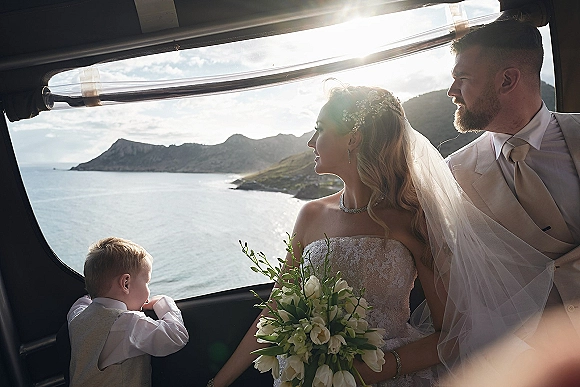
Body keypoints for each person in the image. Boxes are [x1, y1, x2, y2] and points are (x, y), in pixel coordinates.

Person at [209, 82, 554, 386]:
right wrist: (218, 383)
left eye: (320, 128)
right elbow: (274, 310)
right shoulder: (310, 214)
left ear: (354, 138)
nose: (311, 140)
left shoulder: (413, 219)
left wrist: (373, 371)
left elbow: (452, 334)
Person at [446, 18, 580, 334]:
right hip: (534, 353)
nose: (452, 91)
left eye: (462, 79)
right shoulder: (455, 172)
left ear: (507, 80)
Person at [67, 236, 189, 387]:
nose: (148, 293)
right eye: (147, 282)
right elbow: (176, 336)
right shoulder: (128, 324)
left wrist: (97, 289)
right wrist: (165, 303)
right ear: (125, 283)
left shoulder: (77, 317)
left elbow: (83, 302)